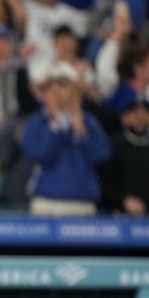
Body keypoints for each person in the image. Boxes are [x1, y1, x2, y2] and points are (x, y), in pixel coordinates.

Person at [22, 62, 111, 216]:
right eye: (50, 86)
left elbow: (102, 156)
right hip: (46, 201)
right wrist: (56, 126)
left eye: (62, 85)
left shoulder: (88, 121)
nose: (55, 91)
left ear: (75, 91)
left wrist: (82, 133)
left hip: (82, 203)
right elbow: (37, 154)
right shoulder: (37, 121)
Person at [101, 97, 149, 216]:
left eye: (145, 114)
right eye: (135, 114)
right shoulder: (114, 147)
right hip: (120, 218)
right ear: (126, 117)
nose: (140, 119)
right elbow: (106, 184)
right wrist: (124, 201)